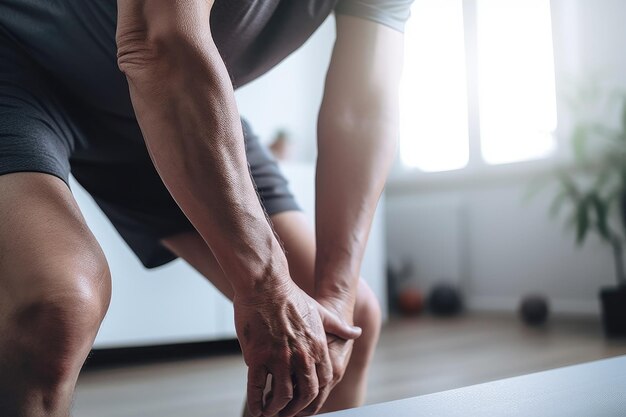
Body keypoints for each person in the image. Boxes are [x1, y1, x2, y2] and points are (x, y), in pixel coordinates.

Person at [0, 0, 411, 416]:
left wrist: (336, 297)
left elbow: (362, 109)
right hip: (23, 66)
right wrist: (264, 283)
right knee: (56, 303)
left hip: (156, 97)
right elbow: (154, 42)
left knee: (339, 326)